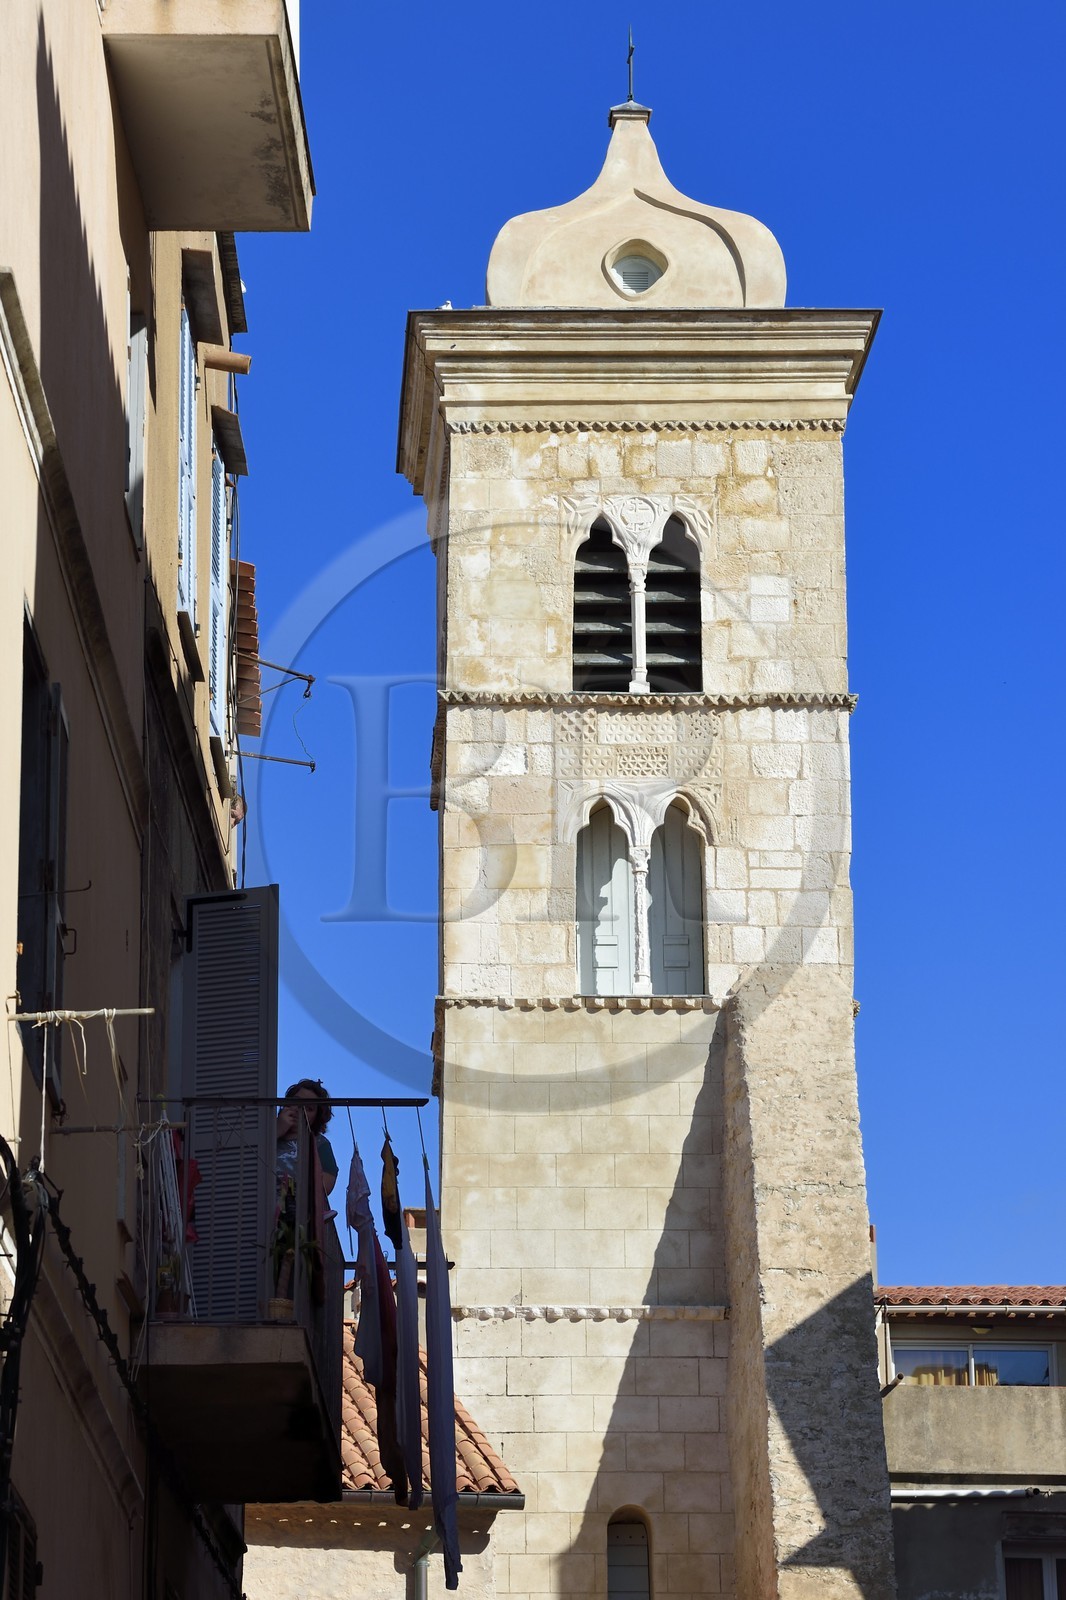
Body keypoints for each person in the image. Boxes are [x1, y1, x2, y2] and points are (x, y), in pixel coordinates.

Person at [275, 1078, 339, 1197]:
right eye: (296, 1101)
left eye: (309, 1108)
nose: (300, 1109)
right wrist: (276, 1131)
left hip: (296, 1212)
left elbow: (325, 1186)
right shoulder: (265, 1132)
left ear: (316, 1117)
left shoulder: (320, 1143)